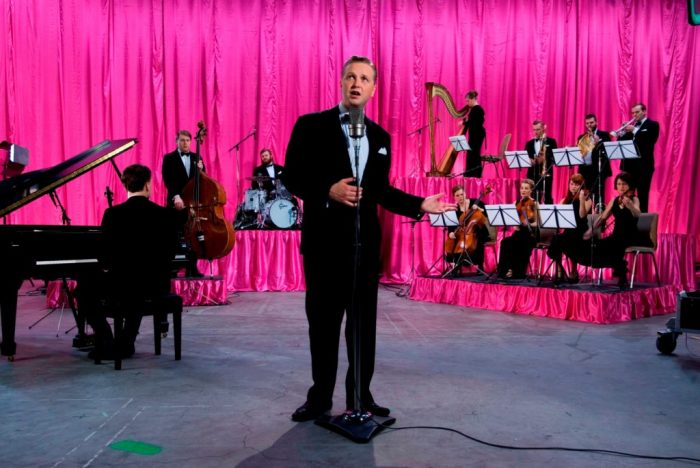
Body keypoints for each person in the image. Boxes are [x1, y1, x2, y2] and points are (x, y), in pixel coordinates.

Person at [282, 55, 453, 422]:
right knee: (324, 325)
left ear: (373, 89)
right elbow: (291, 176)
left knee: (363, 328)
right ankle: (320, 398)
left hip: (364, 247)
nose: (356, 83)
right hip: (324, 246)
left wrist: (419, 203)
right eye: (350, 77)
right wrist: (327, 190)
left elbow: (379, 191)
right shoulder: (310, 125)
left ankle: (360, 395)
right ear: (341, 82)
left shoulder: (380, 138)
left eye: (364, 79)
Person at [76, 164, 180, 360]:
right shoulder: (165, 215)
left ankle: (107, 339)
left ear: (125, 186)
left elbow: (104, 255)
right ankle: (126, 342)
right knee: (137, 291)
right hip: (155, 285)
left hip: (121, 283)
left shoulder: (113, 214)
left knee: (83, 291)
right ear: (148, 185)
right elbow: (172, 253)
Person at [581, 171, 652, 288]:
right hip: (618, 235)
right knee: (601, 244)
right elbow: (602, 217)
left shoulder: (634, 199)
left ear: (629, 185)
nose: (621, 187)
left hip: (633, 235)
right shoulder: (614, 200)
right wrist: (591, 230)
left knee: (615, 244)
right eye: (619, 184)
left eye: (624, 184)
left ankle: (622, 274)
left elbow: (639, 215)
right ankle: (621, 269)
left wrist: (630, 206)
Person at [161, 130, 205, 276]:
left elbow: (202, 180)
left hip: (193, 203)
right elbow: (168, 180)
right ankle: (172, 267)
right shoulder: (169, 158)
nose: (185, 143)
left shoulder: (196, 157)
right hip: (177, 202)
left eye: (187, 140)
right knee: (173, 234)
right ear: (176, 142)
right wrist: (176, 196)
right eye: (182, 140)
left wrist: (201, 169)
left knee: (193, 235)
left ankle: (192, 267)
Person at [611, 103, 659, 212]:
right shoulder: (632, 128)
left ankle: (642, 226)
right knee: (627, 195)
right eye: (632, 113)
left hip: (644, 167)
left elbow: (650, 140)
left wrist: (634, 130)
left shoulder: (652, 125)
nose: (634, 115)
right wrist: (622, 133)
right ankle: (628, 222)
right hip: (629, 167)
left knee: (642, 195)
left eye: (637, 112)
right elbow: (622, 145)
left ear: (644, 111)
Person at [546, 173, 592, 284]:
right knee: (556, 240)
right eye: (571, 184)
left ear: (582, 186)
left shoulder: (587, 199)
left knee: (570, 240)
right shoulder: (564, 200)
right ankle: (560, 269)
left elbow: (582, 215)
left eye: (577, 184)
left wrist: (581, 199)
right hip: (568, 230)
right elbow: (556, 217)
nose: (573, 187)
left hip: (580, 231)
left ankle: (573, 270)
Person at [497, 179, 539, 279]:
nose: (523, 190)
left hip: (530, 233)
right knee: (505, 242)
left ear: (531, 190)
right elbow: (513, 220)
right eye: (522, 188)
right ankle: (504, 270)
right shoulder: (515, 203)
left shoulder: (535, 203)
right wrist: (514, 224)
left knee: (520, 244)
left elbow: (538, 223)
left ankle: (517, 272)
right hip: (519, 232)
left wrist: (527, 223)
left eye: (526, 188)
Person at [445, 184, 491, 273]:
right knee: (454, 241)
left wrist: (479, 209)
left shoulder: (475, 202)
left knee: (478, 240)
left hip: (477, 230)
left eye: (462, 194)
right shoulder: (455, 209)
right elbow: (451, 224)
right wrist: (450, 233)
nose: (460, 197)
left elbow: (487, 214)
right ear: (454, 197)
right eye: (457, 195)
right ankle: (456, 264)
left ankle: (479, 266)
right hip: (462, 232)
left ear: (465, 194)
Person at [576, 114, 611, 208]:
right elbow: (580, 153)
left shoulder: (604, 135)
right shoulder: (581, 137)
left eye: (591, 122)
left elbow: (608, 150)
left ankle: (599, 218)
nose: (589, 125)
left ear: (596, 122)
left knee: (599, 195)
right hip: (585, 170)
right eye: (587, 123)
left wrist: (598, 141)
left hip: (598, 170)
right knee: (585, 196)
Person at [525, 120, 557, 204]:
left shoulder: (551, 142)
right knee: (533, 197)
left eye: (538, 129)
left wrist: (545, 158)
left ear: (543, 129)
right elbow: (526, 158)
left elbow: (555, 157)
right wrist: (531, 161)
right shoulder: (529, 143)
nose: (535, 132)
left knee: (547, 197)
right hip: (532, 174)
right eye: (534, 130)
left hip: (546, 173)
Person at [462, 90, 486, 178]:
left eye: (468, 101)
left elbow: (474, 122)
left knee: (474, 154)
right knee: (472, 154)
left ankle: (474, 175)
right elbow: (472, 121)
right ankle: (471, 174)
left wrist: (463, 123)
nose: (467, 103)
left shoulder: (478, 109)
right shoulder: (475, 109)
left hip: (477, 135)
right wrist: (465, 121)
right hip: (476, 134)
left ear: (473, 99)